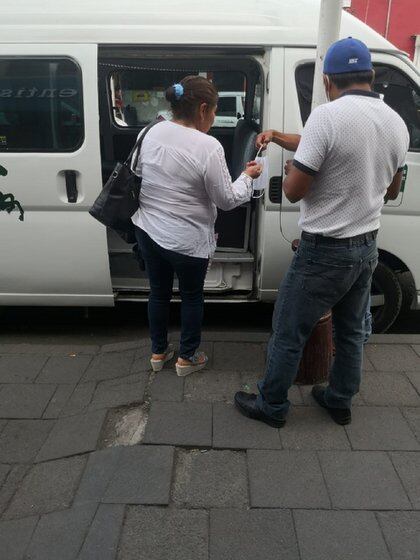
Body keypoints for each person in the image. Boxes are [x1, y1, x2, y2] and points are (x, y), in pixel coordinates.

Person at [234, 38, 409, 427]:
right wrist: (280, 135)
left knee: (288, 329)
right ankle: (339, 398)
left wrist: (299, 164)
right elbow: (393, 189)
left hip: (324, 251)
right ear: (370, 76)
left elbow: (295, 190)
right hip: (366, 246)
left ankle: (272, 405)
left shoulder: (326, 117)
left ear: (328, 80)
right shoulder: (395, 121)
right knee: (350, 332)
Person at [131, 75, 262, 376]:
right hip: (187, 239)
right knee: (191, 296)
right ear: (203, 109)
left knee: (158, 293)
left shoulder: (150, 131)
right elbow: (227, 200)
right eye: (214, 112)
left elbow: (138, 174)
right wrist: (248, 177)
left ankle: (158, 353)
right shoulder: (207, 146)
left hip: (148, 230)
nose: (214, 119)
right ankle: (187, 358)